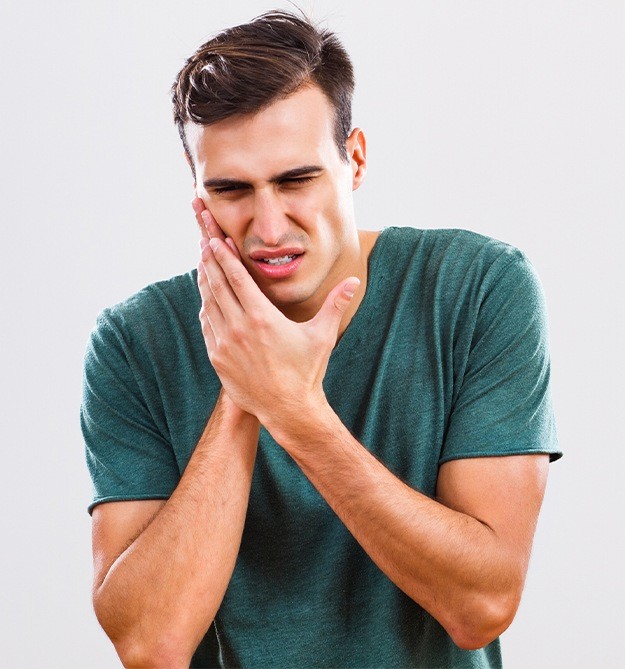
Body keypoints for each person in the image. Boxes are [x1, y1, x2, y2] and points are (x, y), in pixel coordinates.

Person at [81, 9, 561, 669]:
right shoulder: (133, 341)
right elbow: (151, 643)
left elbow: (479, 604)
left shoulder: (474, 287)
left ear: (354, 159)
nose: (268, 225)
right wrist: (242, 389)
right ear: (195, 192)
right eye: (230, 190)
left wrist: (292, 406)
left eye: (294, 179)